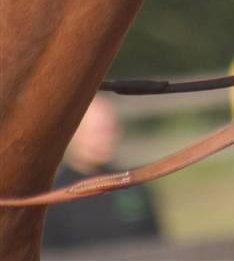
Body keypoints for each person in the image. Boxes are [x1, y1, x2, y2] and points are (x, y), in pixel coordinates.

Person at [42, 94, 160, 250]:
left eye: (111, 129)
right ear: (72, 133)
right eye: (98, 131)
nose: (107, 138)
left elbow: (159, 244)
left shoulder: (132, 184)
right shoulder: (53, 198)